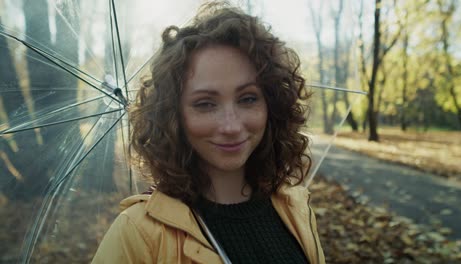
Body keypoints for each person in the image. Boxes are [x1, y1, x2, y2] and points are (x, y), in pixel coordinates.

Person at [92, 2, 325, 264]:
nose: (231, 126)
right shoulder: (136, 234)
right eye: (205, 104)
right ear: (174, 116)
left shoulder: (296, 209)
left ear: (271, 105)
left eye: (248, 98)